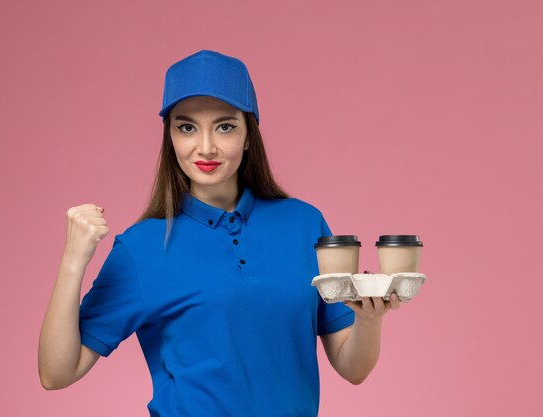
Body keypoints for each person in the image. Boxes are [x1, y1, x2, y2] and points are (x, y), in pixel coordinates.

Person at [38, 49, 402, 416]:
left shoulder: (304, 224)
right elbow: (57, 373)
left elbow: (352, 368)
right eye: (187, 127)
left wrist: (370, 318)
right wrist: (73, 260)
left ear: (248, 135)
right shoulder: (142, 248)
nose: (206, 147)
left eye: (225, 126)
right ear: (171, 138)